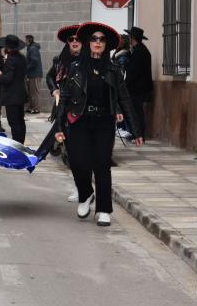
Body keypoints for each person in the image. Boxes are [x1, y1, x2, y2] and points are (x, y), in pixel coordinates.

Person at [54, 22, 144, 227]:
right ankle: (85, 194)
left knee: (102, 164)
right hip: (79, 120)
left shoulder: (113, 70)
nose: (97, 42)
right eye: (94, 39)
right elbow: (65, 99)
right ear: (88, 43)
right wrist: (59, 127)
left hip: (104, 122)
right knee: (77, 162)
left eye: (102, 39)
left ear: (106, 45)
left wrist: (136, 129)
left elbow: (125, 99)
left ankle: (104, 209)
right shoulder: (76, 68)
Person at [46, 25, 82, 202]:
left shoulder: (90, 60)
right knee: (70, 153)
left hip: (84, 112)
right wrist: (54, 90)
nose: (74, 42)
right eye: (71, 40)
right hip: (65, 109)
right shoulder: (60, 60)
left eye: (77, 39)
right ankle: (79, 188)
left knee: (87, 154)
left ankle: (87, 189)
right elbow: (49, 77)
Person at [0, 35, 27, 144]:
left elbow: (8, 79)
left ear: (7, 47)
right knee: (20, 120)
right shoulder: (22, 58)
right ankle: (21, 143)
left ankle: (17, 144)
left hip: (12, 96)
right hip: (20, 93)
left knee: (14, 122)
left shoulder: (11, 60)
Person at [124, 26, 153, 139]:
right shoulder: (140, 50)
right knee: (135, 111)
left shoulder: (139, 52)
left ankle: (138, 134)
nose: (128, 39)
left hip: (137, 88)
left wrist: (125, 84)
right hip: (138, 88)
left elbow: (133, 72)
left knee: (137, 112)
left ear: (133, 38)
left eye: (129, 37)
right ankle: (136, 133)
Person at [25, 34, 43, 114]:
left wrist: (26, 69)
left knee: (35, 92)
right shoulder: (31, 48)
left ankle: (36, 109)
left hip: (35, 74)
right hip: (32, 74)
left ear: (28, 41)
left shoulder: (33, 49)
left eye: (25, 40)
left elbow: (34, 61)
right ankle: (31, 107)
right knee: (31, 92)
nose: (25, 42)